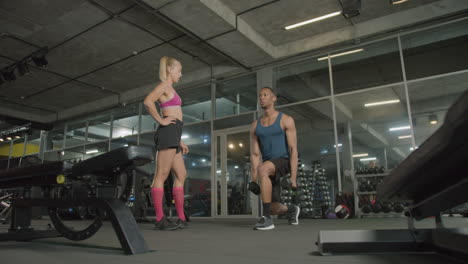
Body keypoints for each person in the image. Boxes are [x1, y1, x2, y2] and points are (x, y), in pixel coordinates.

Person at [143, 56, 189, 231]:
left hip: (175, 133)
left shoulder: (171, 89)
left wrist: (179, 140)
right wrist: (161, 121)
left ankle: (181, 217)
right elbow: (148, 101)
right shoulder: (164, 85)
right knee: (161, 174)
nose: (181, 74)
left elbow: (176, 116)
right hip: (168, 131)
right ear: (170, 70)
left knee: (181, 174)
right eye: (179, 70)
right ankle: (160, 219)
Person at [249, 87, 299, 230]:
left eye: (265, 95)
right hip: (268, 166)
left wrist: (294, 177)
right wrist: (253, 179)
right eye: (260, 96)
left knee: (263, 168)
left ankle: (267, 220)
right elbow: (255, 154)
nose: (261, 98)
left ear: (274, 98)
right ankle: (291, 210)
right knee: (273, 207)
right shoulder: (255, 125)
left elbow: (293, 150)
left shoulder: (286, 120)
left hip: (283, 161)